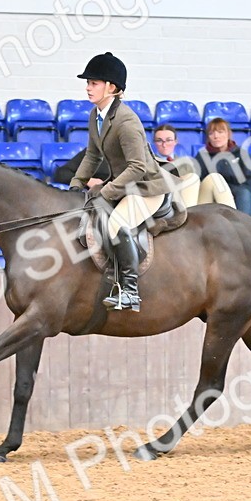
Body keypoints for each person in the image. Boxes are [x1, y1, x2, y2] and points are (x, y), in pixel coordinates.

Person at [67, 52, 171, 313]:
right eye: (88, 83)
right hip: (125, 185)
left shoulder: (126, 120)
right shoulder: (96, 116)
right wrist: (75, 185)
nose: (88, 87)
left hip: (147, 188)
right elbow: (92, 155)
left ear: (111, 87)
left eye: (94, 83)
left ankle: (130, 291)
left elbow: (138, 167)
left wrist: (107, 190)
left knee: (116, 223)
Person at [152, 124, 236, 211]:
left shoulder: (187, 163)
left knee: (215, 177)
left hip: (192, 205)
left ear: (175, 141)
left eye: (168, 140)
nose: (164, 144)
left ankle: (235, 221)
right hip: (167, 206)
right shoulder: (151, 163)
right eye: (159, 140)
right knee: (192, 177)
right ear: (154, 142)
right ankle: (186, 221)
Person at [195, 117, 251, 219]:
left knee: (244, 195)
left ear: (228, 134)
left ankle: (241, 227)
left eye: (220, 132)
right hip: (215, 199)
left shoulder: (241, 153)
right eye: (211, 133)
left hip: (240, 196)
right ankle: (242, 227)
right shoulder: (202, 156)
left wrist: (237, 193)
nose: (216, 136)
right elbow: (201, 182)